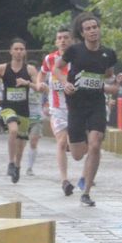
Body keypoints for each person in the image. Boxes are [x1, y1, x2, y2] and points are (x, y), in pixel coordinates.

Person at [62, 14, 122, 207]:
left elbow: (109, 79)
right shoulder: (74, 51)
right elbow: (58, 69)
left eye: (95, 27)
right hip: (76, 103)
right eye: (88, 28)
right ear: (82, 33)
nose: (92, 31)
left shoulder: (108, 54)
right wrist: (65, 82)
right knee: (77, 155)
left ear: (99, 29)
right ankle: (70, 139)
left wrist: (117, 82)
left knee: (96, 143)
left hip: (97, 102)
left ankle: (87, 191)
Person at [0, 39, 40, 184]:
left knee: (21, 144)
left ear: (25, 52)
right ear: (10, 51)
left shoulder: (30, 70)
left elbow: (39, 87)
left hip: (24, 109)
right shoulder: (2, 68)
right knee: (13, 131)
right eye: (16, 49)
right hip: (8, 107)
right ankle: (10, 163)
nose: (19, 51)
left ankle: (17, 166)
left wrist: (27, 83)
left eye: (22, 49)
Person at [39, 27, 76, 196]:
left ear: (72, 40)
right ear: (56, 42)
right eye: (59, 38)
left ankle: (85, 174)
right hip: (57, 109)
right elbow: (41, 74)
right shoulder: (49, 59)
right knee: (61, 142)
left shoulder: (78, 58)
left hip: (77, 108)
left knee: (79, 148)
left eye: (66, 37)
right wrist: (40, 84)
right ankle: (65, 180)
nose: (62, 40)